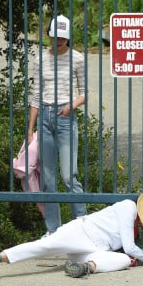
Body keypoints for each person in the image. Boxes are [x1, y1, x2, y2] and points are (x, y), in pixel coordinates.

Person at [0, 192, 143, 278]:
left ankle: (83, 268)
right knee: (44, 246)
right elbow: (131, 247)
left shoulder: (138, 224)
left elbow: (127, 253)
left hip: (96, 250)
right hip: (81, 232)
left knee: (122, 260)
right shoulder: (128, 208)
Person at [27, 14, 87, 236]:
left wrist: (71, 106)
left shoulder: (77, 58)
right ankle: (53, 230)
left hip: (64, 116)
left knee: (69, 175)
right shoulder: (40, 59)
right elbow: (35, 94)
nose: (58, 41)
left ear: (68, 37)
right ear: (49, 36)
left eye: (63, 37)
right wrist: (30, 127)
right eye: (55, 36)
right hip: (44, 116)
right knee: (47, 178)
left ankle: (83, 225)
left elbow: (85, 93)